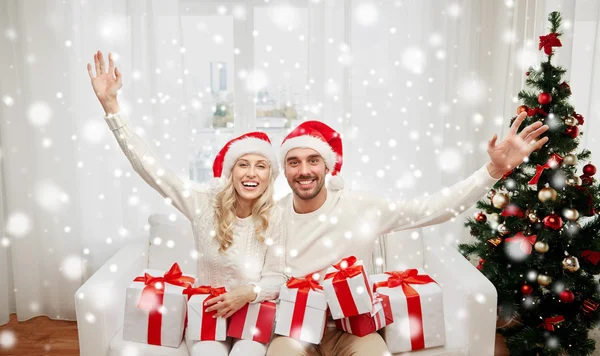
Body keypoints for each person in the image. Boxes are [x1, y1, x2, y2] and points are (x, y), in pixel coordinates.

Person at [268, 116, 549, 355]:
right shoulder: (273, 216)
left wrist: (494, 170)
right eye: (294, 162)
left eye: (313, 160)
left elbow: (434, 209)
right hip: (296, 328)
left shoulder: (359, 207)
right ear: (285, 170)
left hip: (352, 329)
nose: (304, 171)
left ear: (327, 166)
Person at [87, 50, 286, 356]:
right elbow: (152, 170)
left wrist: (250, 292)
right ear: (230, 172)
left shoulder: (277, 216)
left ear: (270, 175)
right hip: (206, 309)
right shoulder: (204, 204)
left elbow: (279, 276)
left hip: (254, 312)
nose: (251, 173)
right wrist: (112, 107)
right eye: (243, 164)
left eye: (261, 166)